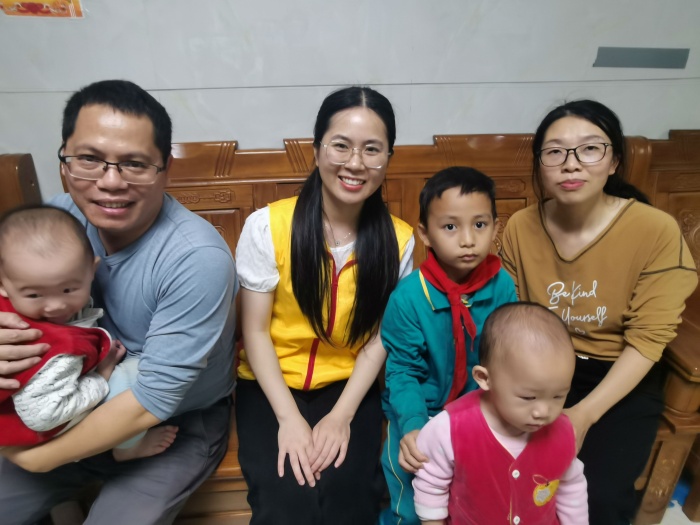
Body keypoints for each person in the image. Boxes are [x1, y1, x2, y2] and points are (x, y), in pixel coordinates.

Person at [0, 79, 238, 525]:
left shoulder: (196, 258)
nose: (110, 182)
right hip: (63, 398)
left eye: (134, 164)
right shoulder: (54, 222)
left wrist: (40, 459)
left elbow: (152, 399)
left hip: (172, 421)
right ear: (64, 161)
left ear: (165, 168)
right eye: (89, 159)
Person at [501, 99, 698, 524]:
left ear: (614, 162)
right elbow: (510, 316)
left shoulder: (654, 230)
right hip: (539, 367)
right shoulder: (520, 226)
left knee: (600, 498)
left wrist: (583, 415)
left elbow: (648, 340)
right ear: (540, 165)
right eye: (555, 152)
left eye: (590, 149)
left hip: (619, 375)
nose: (571, 164)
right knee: (506, 477)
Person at [234, 86, 414, 525]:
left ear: (388, 158)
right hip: (269, 383)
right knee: (286, 500)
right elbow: (254, 331)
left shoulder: (399, 239)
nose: (355, 163)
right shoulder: (267, 226)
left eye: (372, 149)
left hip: (350, 385)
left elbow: (380, 340)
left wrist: (341, 417)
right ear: (316, 151)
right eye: (341, 145)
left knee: (349, 496)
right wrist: (288, 419)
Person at [379, 166, 517, 525]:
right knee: (412, 497)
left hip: (481, 409)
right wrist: (413, 425)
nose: (468, 240)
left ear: (496, 228)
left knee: (480, 498)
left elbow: (508, 357)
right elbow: (403, 371)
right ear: (425, 233)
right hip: (422, 411)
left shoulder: (503, 286)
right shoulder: (409, 297)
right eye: (450, 227)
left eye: (480, 224)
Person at [0, 205, 177, 460]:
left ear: (92, 271)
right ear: (3, 285)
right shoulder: (57, 351)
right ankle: (127, 449)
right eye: (35, 295)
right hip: (39, 428)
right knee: (139, 375)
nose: (55, 306)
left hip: (21, 407)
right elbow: (45, 416)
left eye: (68, 289)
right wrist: (102, 375)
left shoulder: (14, 290)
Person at [413, 302, 588, 524]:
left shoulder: (562, 432)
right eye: (528, 398)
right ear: (485, 378)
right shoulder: (449, 428)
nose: (543, 412)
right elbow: (431, 485)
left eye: (558, 397)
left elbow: (571, 485)